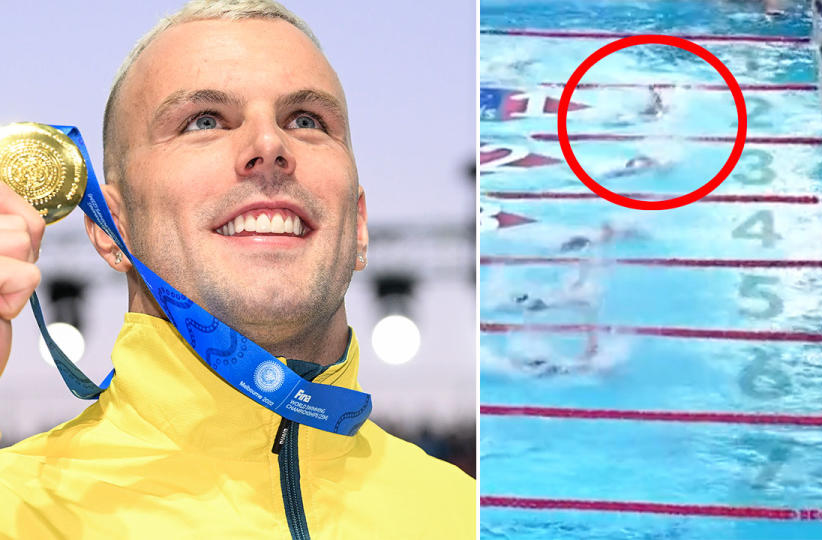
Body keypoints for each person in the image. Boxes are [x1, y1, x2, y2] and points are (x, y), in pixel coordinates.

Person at [0, 2, 474, 538]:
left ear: (359, 225)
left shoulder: (472, 515)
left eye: (306, 121)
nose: (269, 146)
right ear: (111, 229)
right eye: (203, 121)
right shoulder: (16, 508)